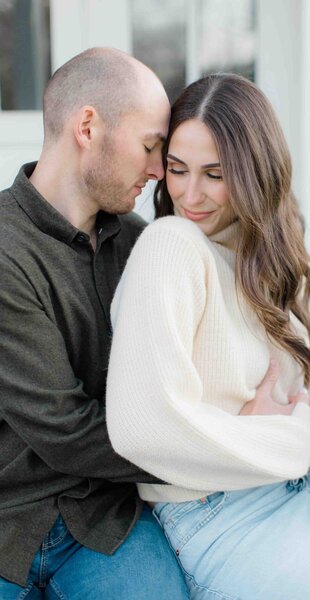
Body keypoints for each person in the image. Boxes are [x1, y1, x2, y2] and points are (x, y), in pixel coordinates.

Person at [106, 73, 310, 599]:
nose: (188, 194)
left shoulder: (274, 259)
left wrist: (298, 421)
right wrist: (294, 435)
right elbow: (140, 431)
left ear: (254, 172)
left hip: (305, 490)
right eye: (176, 169)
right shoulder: (170, 246)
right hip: (221, 523)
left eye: (214, 174)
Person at [0, 47, 189, 599]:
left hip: (104, 520)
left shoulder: (138, 242)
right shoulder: (5, 250)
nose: (158, 171)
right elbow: (63, 428)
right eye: (151, 146)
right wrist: (205, 445)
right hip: (9, 519)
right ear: (88, 126)